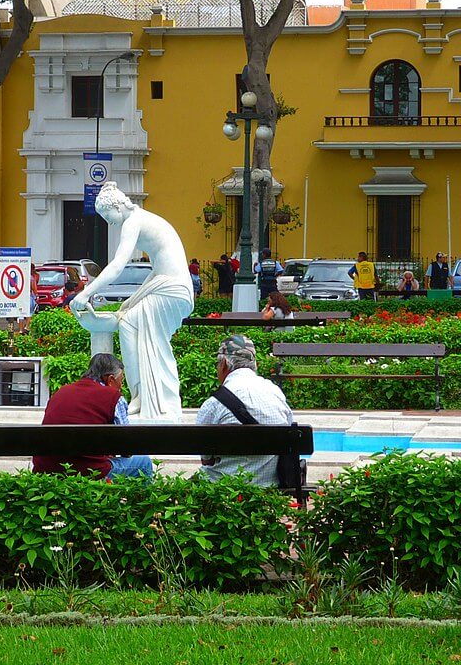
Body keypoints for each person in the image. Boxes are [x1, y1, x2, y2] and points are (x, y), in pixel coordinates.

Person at [70, 181, 194, 422]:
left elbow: (117, 265)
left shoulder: (133, 221)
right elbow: (158, 268)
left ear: (117, 206)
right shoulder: (142, 219)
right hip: (166, 285)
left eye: (108, 216)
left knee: (137, 331)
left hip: (172, 289)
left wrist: (85, 292)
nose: (109, 223)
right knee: (133, 326)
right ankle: (143, 395)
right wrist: (134, 300)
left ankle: (148, 399)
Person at [32, 353, 153, 480]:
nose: (121, 386)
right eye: (121, 381)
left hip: (46, 469)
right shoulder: (113, 397)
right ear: (110, 380)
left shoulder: (62, 391)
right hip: (87, 471)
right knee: (143, 462)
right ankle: (137, 499)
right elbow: (126, 449)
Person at [196, 335, 294, 487]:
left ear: (223, 364)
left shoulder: (213, 405)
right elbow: (287, 432)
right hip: (268, 485)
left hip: (220, 487)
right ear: (255, 364)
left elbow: (206, 458)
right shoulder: (276, 393)